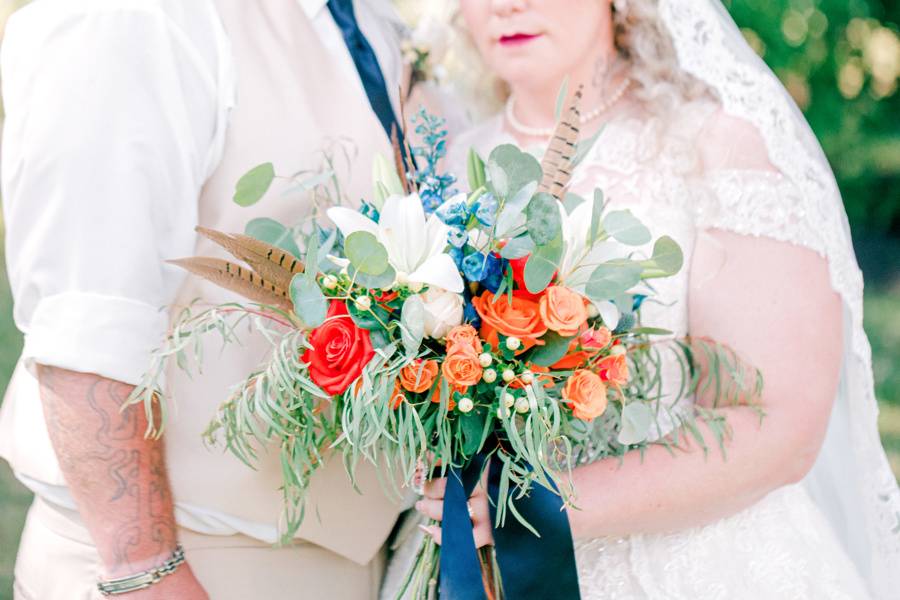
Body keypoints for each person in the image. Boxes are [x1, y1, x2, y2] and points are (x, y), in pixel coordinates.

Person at [382, 1, 900, 598]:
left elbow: (778, 424)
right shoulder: (439, 171)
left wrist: (535, 512)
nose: (507, 4)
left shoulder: (712, 147)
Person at [0, 0, 408, 598]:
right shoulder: (135, 16)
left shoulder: (364, 19)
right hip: (190, 565)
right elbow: (89, 318)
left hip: (342, 558)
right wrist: (145, 570)